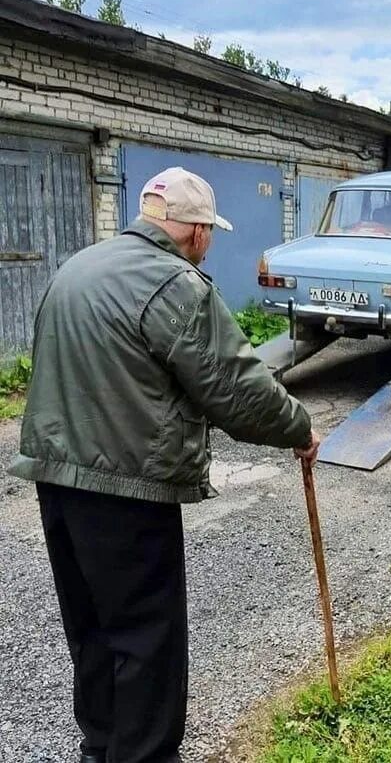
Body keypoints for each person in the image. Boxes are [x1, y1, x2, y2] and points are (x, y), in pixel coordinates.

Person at [9, 167, 320, 763]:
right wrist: (299, 430)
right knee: (148, 641)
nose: (209, 242)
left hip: (56, 482)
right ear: (196, 231)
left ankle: (101, 747)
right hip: (127, 490)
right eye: (209, 230)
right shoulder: (173, 284)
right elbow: (235, 388)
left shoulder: (77, 267)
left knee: (93, 630)